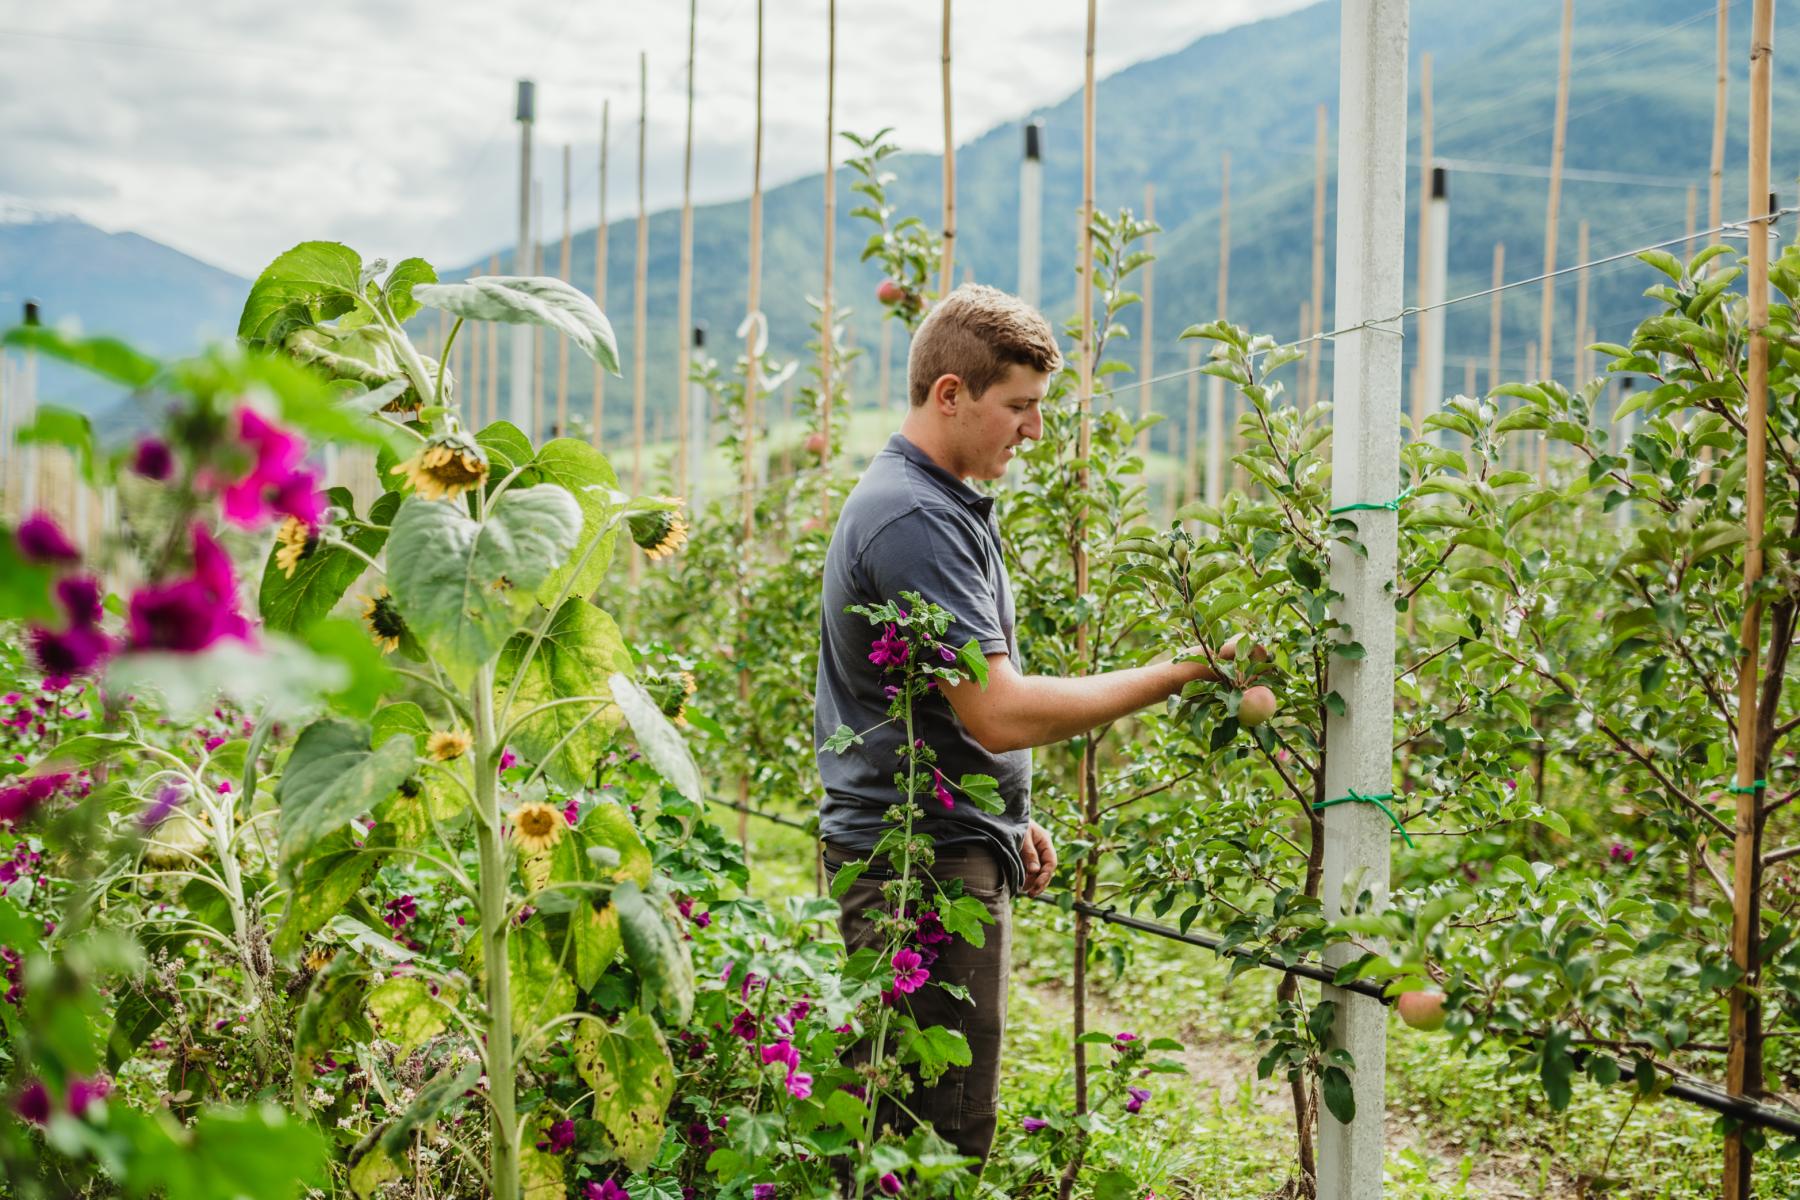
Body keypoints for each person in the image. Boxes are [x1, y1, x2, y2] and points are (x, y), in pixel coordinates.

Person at [813, 283, 1222, 1166]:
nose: (1034, 432)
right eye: (1021, 407)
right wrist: (1181, 673)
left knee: (898, 1119)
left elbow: (938, 707)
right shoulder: (917, 516)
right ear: (951, 393)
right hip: (917, 863)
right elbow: (997, 712)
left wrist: (999, 813)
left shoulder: (927, 501)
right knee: (936, 1137)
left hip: (931, 838)